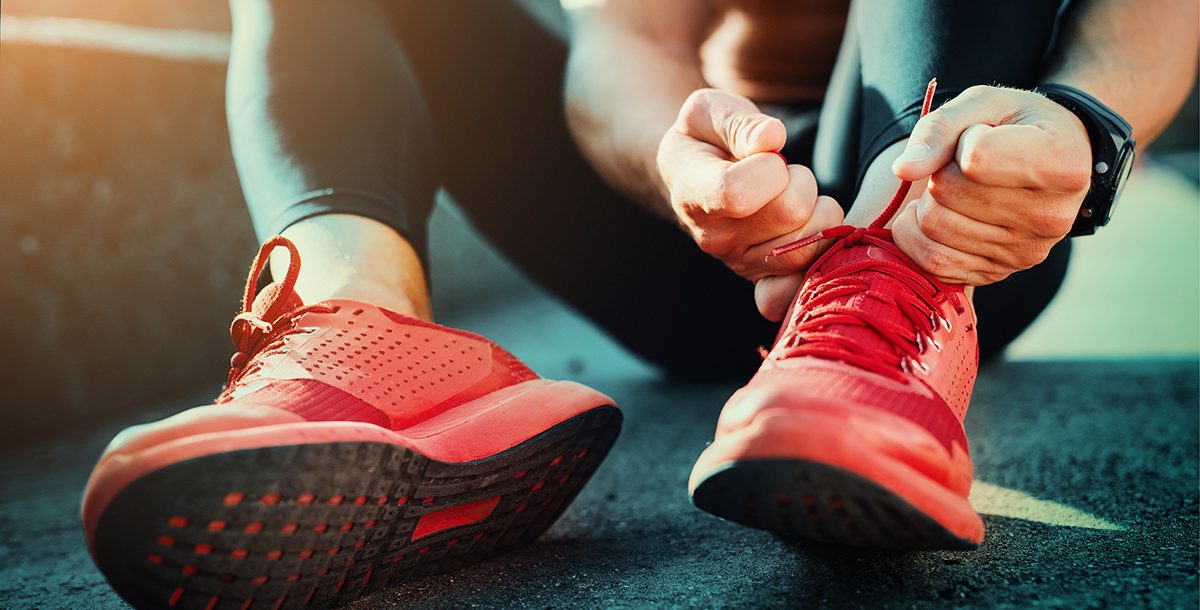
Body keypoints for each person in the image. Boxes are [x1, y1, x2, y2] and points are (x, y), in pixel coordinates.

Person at [81, 0, 1196, 607]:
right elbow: (623, 48)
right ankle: (359, 333)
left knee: (925, 199)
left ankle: (881, 316)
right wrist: (684, 165)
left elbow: (1153, 19)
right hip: (712, 235)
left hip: (968, 220)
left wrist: (1086, 125)